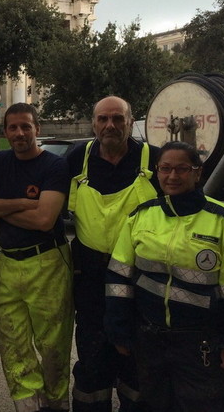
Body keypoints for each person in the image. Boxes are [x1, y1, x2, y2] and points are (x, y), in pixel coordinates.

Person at [105, 141, 224, 411]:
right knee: (153, 403)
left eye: (182, 169)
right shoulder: (141, 216)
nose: (172, 176)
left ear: (197, 173)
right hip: (149, 338)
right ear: (157, 171)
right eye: (165, 168)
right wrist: (119, 328)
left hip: (201, 344)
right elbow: (119, 278)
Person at [0, 103, 73, 412]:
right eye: (13, 128)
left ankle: (57, 404)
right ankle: (27, 406)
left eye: (26, 126)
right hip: (7, 263)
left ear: (37, 129)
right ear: (5, 132)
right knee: (13, 345)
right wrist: (22, 204)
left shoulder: (54, 166)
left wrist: (0, 208)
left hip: (48, 263)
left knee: (53, 345)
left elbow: (45, 221)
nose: (19, 133)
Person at [67, 96, 159, 411]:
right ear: (93, 123)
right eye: (103, 119)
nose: (110, 125)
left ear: (131, 122)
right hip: (91, 282)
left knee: (137, 365)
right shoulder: (77, 158)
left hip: (141, 284)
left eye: (118, 119)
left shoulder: (154, 160)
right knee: (92, 362)